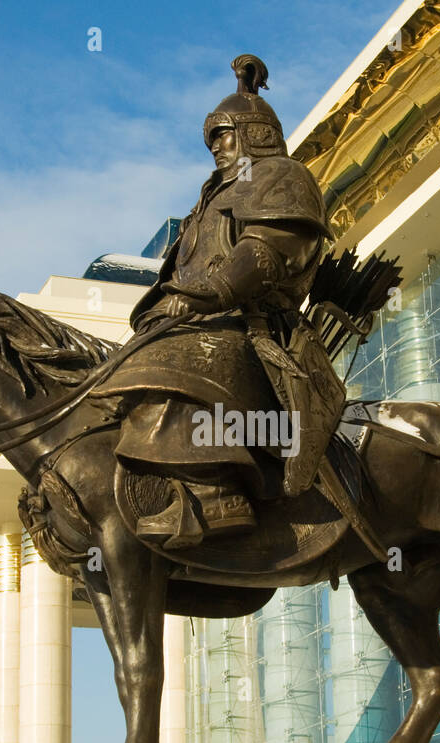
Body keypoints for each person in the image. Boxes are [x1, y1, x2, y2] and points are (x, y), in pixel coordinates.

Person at [93, 55, 334, 550]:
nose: (218, 149)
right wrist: (171, 303)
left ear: (257, 134)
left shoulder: (281, 177)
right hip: (202, 319)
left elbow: (269, 247)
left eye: (226, 135)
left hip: (258, 328)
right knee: (112, 375)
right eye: (213, 141)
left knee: (174, 365)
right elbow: (182, 271)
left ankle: (217, 492)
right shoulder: (206, 201)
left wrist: (212, 293)